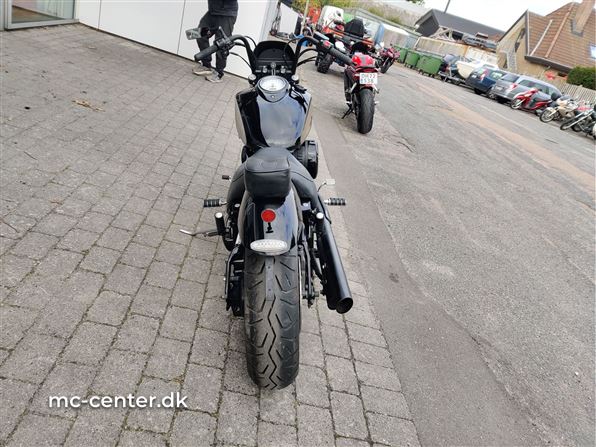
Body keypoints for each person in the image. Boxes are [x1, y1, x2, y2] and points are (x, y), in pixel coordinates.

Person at [193, 0, 239, 83]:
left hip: (226, 13)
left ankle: (219, 72)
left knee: (222, 43)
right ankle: (206, 65)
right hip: (213, 11)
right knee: (199, 34)